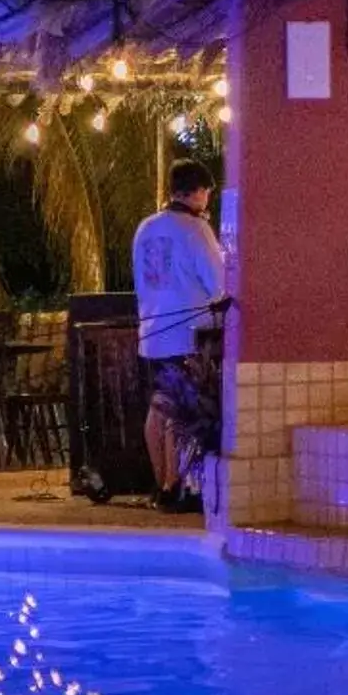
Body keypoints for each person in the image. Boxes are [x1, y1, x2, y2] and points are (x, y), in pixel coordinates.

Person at [132, 159, 227, 513]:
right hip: (186, 333)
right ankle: (176, 486)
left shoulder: (145, 228)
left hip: (151, 332)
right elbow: (220, 284)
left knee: (157, 409)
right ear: (200, 192)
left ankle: (160, 484)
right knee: (179, 413)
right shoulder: (195, 229)